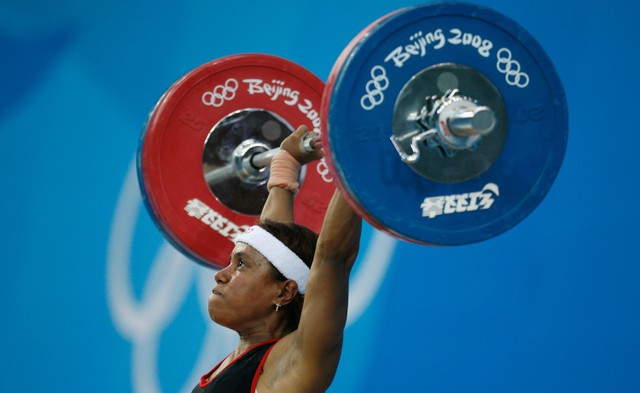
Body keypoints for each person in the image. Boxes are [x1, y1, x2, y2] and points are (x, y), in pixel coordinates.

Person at [192, 125, 362, 393]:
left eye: (241, 265)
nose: (220, 275)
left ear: (284, 293)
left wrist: (356, 159)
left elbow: (333, 257)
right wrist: (285, 166)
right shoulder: (241, 364)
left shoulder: (291, 365)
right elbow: (272, 244)